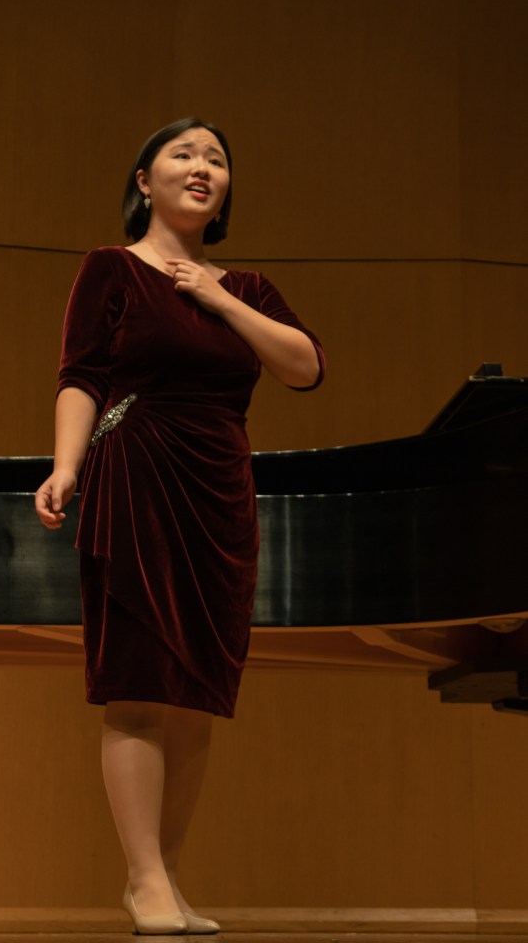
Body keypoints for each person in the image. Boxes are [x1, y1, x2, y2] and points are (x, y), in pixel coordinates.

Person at [35, 117, 324, 936]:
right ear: (144, 181)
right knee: (138, 683)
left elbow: (305, 367)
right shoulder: (111, 268)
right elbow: (81, 376)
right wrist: (65, 467)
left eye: (217, 160)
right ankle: (145, 879)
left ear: (225, 191)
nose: (203, 167)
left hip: (220, 492)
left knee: (197, 696)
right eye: (184, 154)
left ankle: (161, 879)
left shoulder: (249, 288)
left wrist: (216, 296)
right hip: (138, 474)